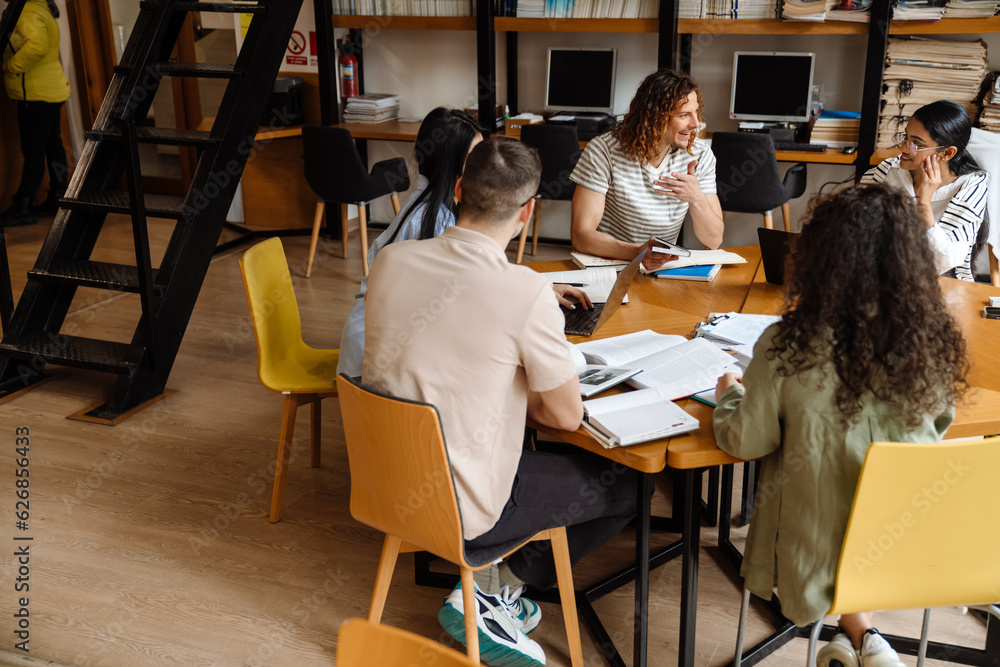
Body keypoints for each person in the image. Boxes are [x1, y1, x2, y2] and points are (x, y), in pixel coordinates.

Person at [363, 137, 637, 667]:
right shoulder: (525, 290)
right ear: (529, 209)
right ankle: (494, 588)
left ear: (459, 189)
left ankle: (494, 588)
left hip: (384, 478)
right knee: (629, 484)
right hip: (461, 505)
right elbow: (564, 416)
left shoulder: (391, 260)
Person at [712, 184, 968, 667]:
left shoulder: (786, 344)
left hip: (813, 542)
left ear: (821, 258)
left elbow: (746, 440)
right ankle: (865, 639)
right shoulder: (929, 345)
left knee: (823, 493)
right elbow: (939, 423)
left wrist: (730, 393)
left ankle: (862, 638)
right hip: (908, 537)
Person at [337, 107, 590, 377]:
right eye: (476, 157)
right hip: (373, 364)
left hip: (376, 353)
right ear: (451, 162)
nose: (485, 165)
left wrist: (539, 289)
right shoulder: (432, 221)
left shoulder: (429, 207)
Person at [570, 68, 724, 271]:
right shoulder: (603, 150)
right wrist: (637, 253)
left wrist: (696, 198)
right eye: (684, 115)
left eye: (696, 112)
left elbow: (714, 240)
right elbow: (580, 236)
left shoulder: (699, 154)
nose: (696, 123)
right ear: (655, 117)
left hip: (660, 267)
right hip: (610, 264)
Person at [860, 100, 989, 282]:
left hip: (941, 283)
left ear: (947, 153)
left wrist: (923, 201)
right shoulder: (887, 171)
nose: (903, 148)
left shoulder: (969, 187)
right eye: (906, 137)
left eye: (917, 144)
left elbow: (945, 261)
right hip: (882, 276)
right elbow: (855, 228)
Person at [1, 0, 71, 227]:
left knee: (33, 151)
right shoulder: (40, 7)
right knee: (53, 146)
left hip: (35, 93)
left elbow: (37, 47)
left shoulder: (27, 11)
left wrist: (10, 66)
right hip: (51, 90)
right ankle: (58, 197)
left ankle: (23, 206)